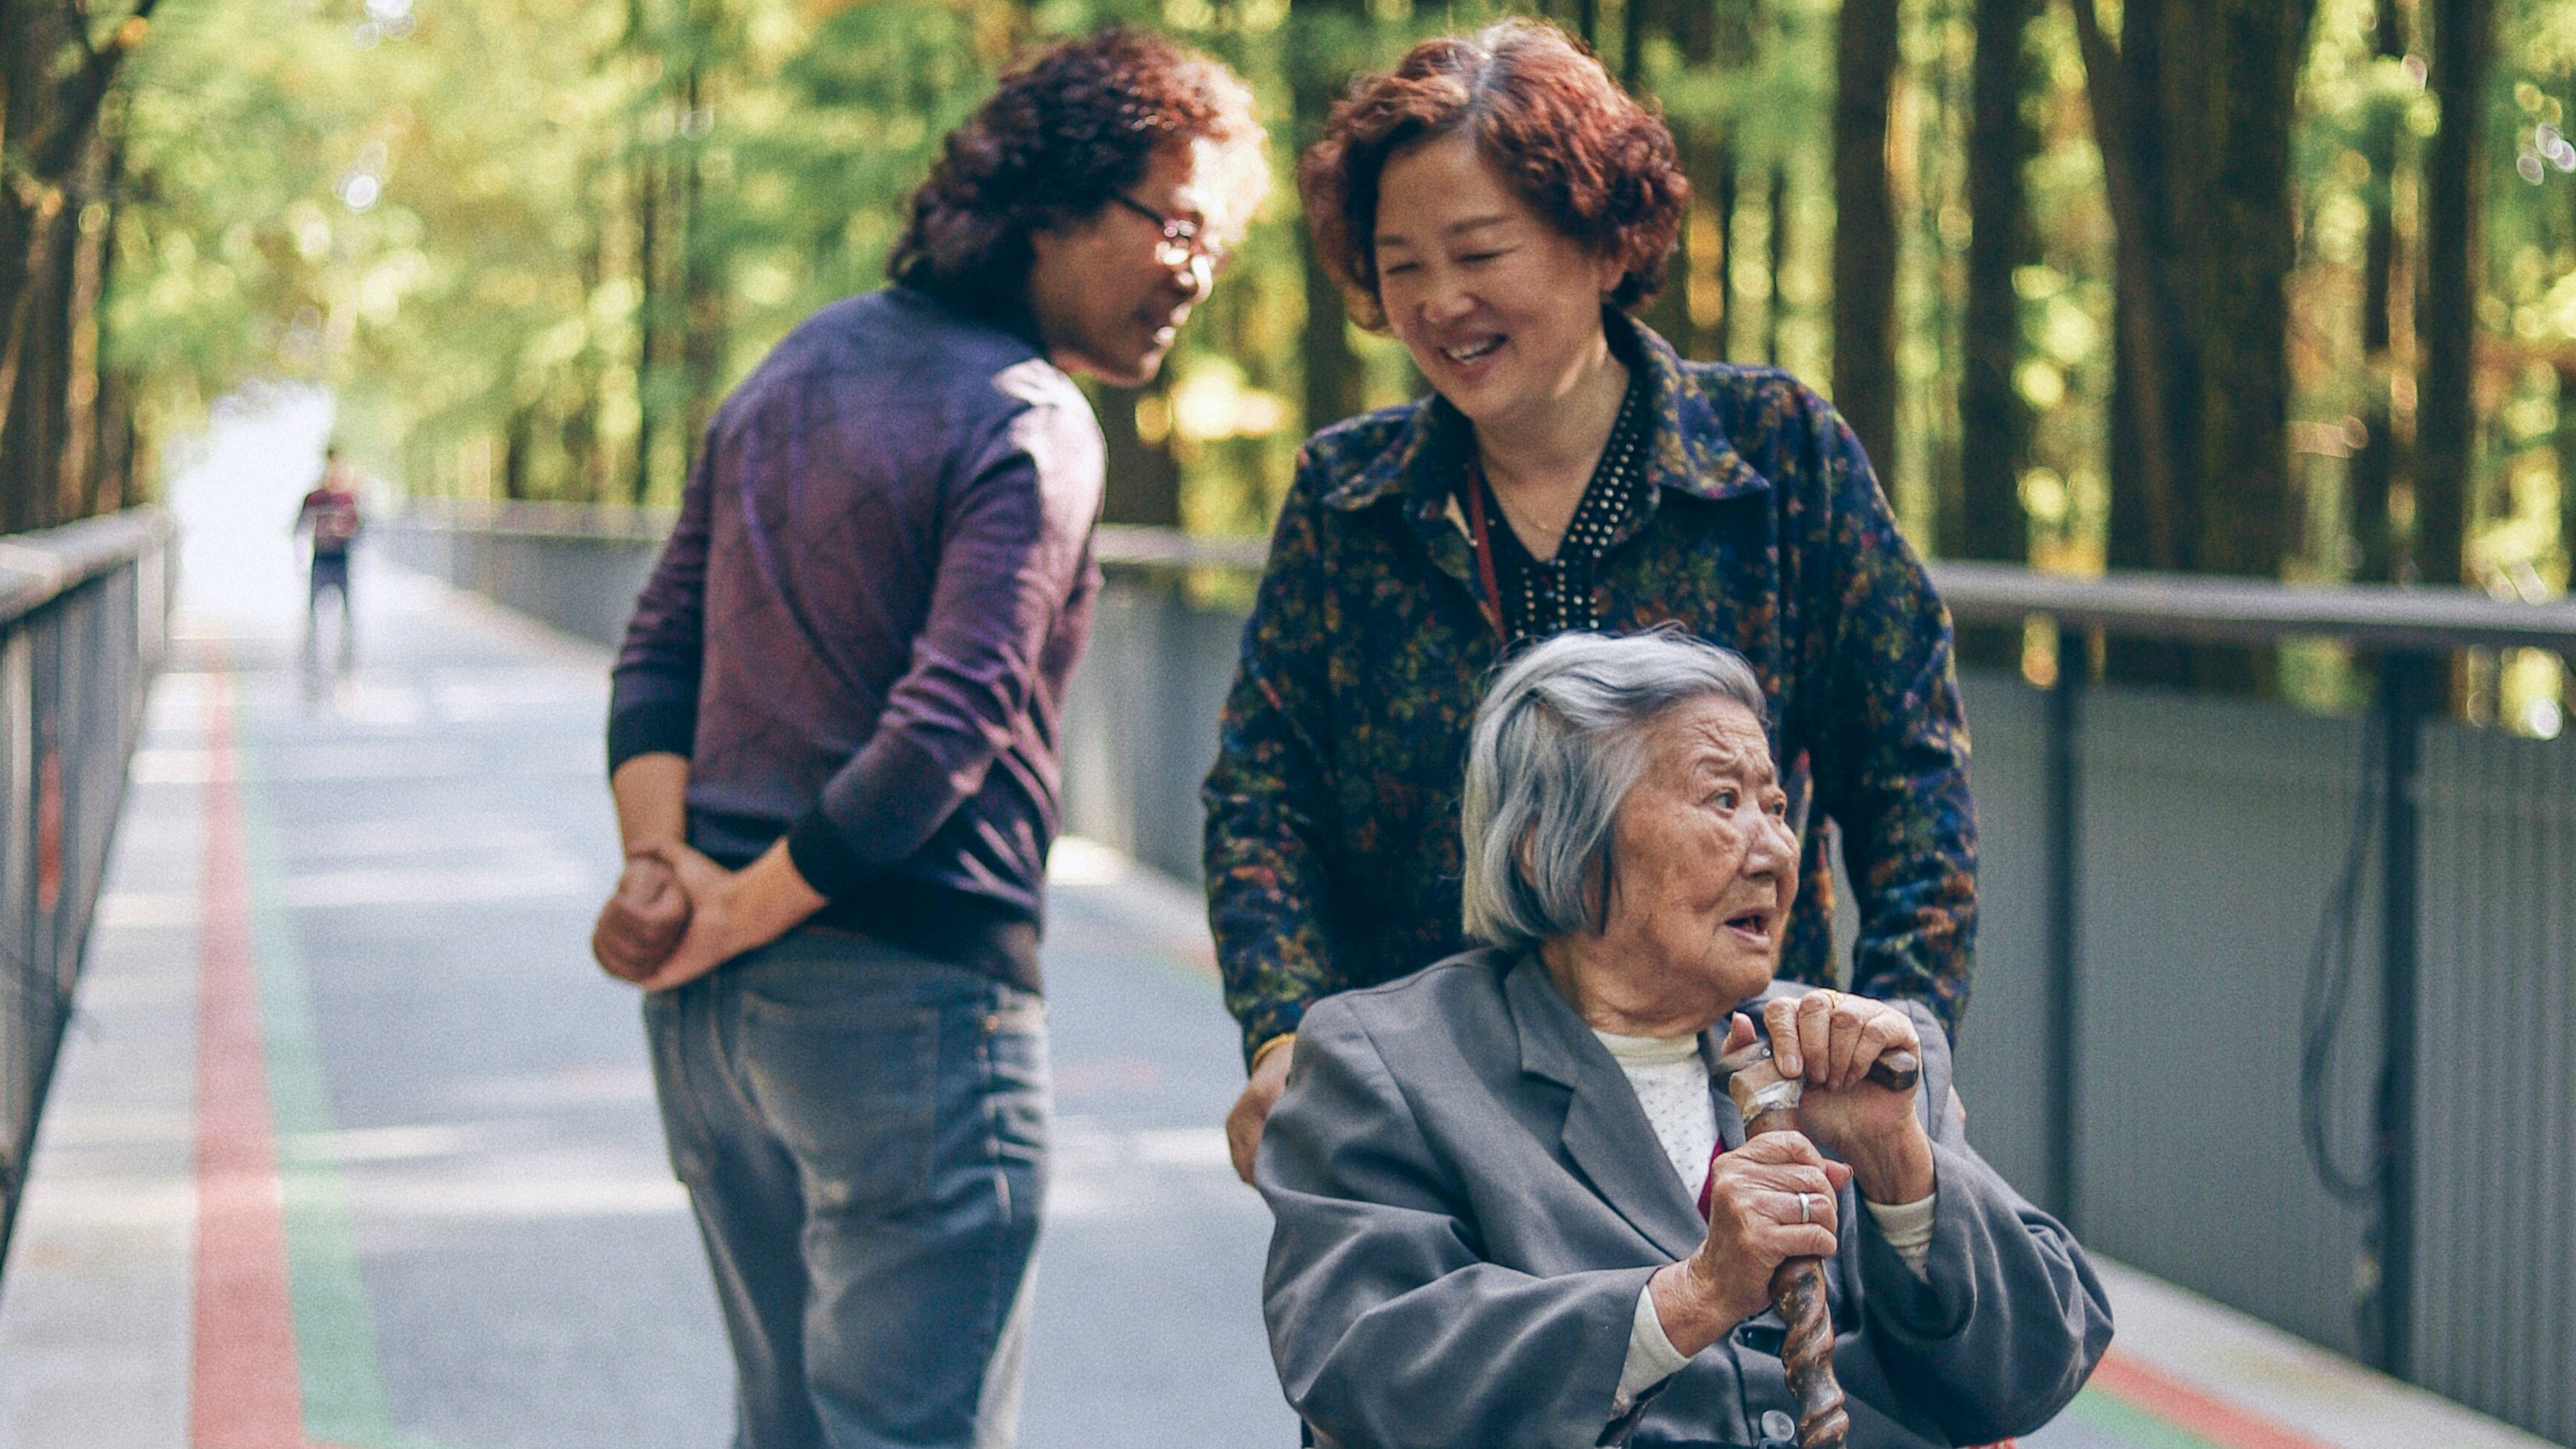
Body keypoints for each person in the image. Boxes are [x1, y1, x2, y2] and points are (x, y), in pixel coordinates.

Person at [602, 29, 1267, 1449]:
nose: (1195, 272)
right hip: (904, 1008)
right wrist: (718, 911)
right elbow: (945, 725)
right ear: (1053, 201)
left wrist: (667, 875)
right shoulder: (1031, 420)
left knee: (776, 1424)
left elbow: (659, 646)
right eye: (1178, 227)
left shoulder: (793, 365)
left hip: (712, 1029)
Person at [1204, 19, 1975, 1182]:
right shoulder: (1346, 501)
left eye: (1480, 252)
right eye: (1402, 263)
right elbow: (1265, 798)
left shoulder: (1779, 458)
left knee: (1748, 1364)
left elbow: (1912, 778)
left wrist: (1898, 1042)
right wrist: (1285, 1030)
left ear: (1606, 242)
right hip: (1436, 1122)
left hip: (1741, 1115)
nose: (1439, 301)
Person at [1259, 631, 2110, 1449]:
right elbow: (1363, 1363)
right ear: (1552, 845)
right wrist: (1689, 1298)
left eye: (1776, 807)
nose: (1775, 849)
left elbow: (2035, 1369)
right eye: (1723, 801)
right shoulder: (1391, 1060)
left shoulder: (1855, 1053)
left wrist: (1901, 1170)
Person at [293, 445, 363, 681]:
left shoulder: (349, 499)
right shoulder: (314, 498)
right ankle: (310, 673)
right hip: (321, 560)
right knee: (312, 619)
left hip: (341, 561)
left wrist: (345, 529)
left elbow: (360, 529)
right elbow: (299, 528)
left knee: (347, 620)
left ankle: (346, 675)